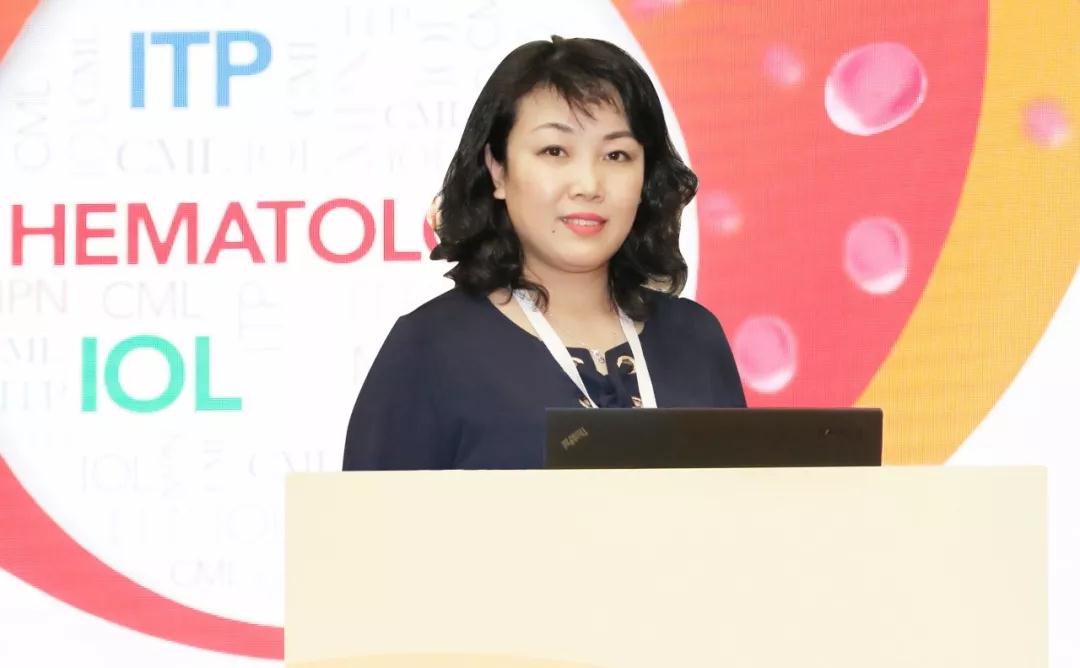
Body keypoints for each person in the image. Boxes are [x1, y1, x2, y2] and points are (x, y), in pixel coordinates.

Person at [343, 35, 745, 471]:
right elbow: (367, 515)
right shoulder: (430, 348)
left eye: (617, 154)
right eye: (555, 151)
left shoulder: (695, 339)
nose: (589, 185)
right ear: (498, 170)